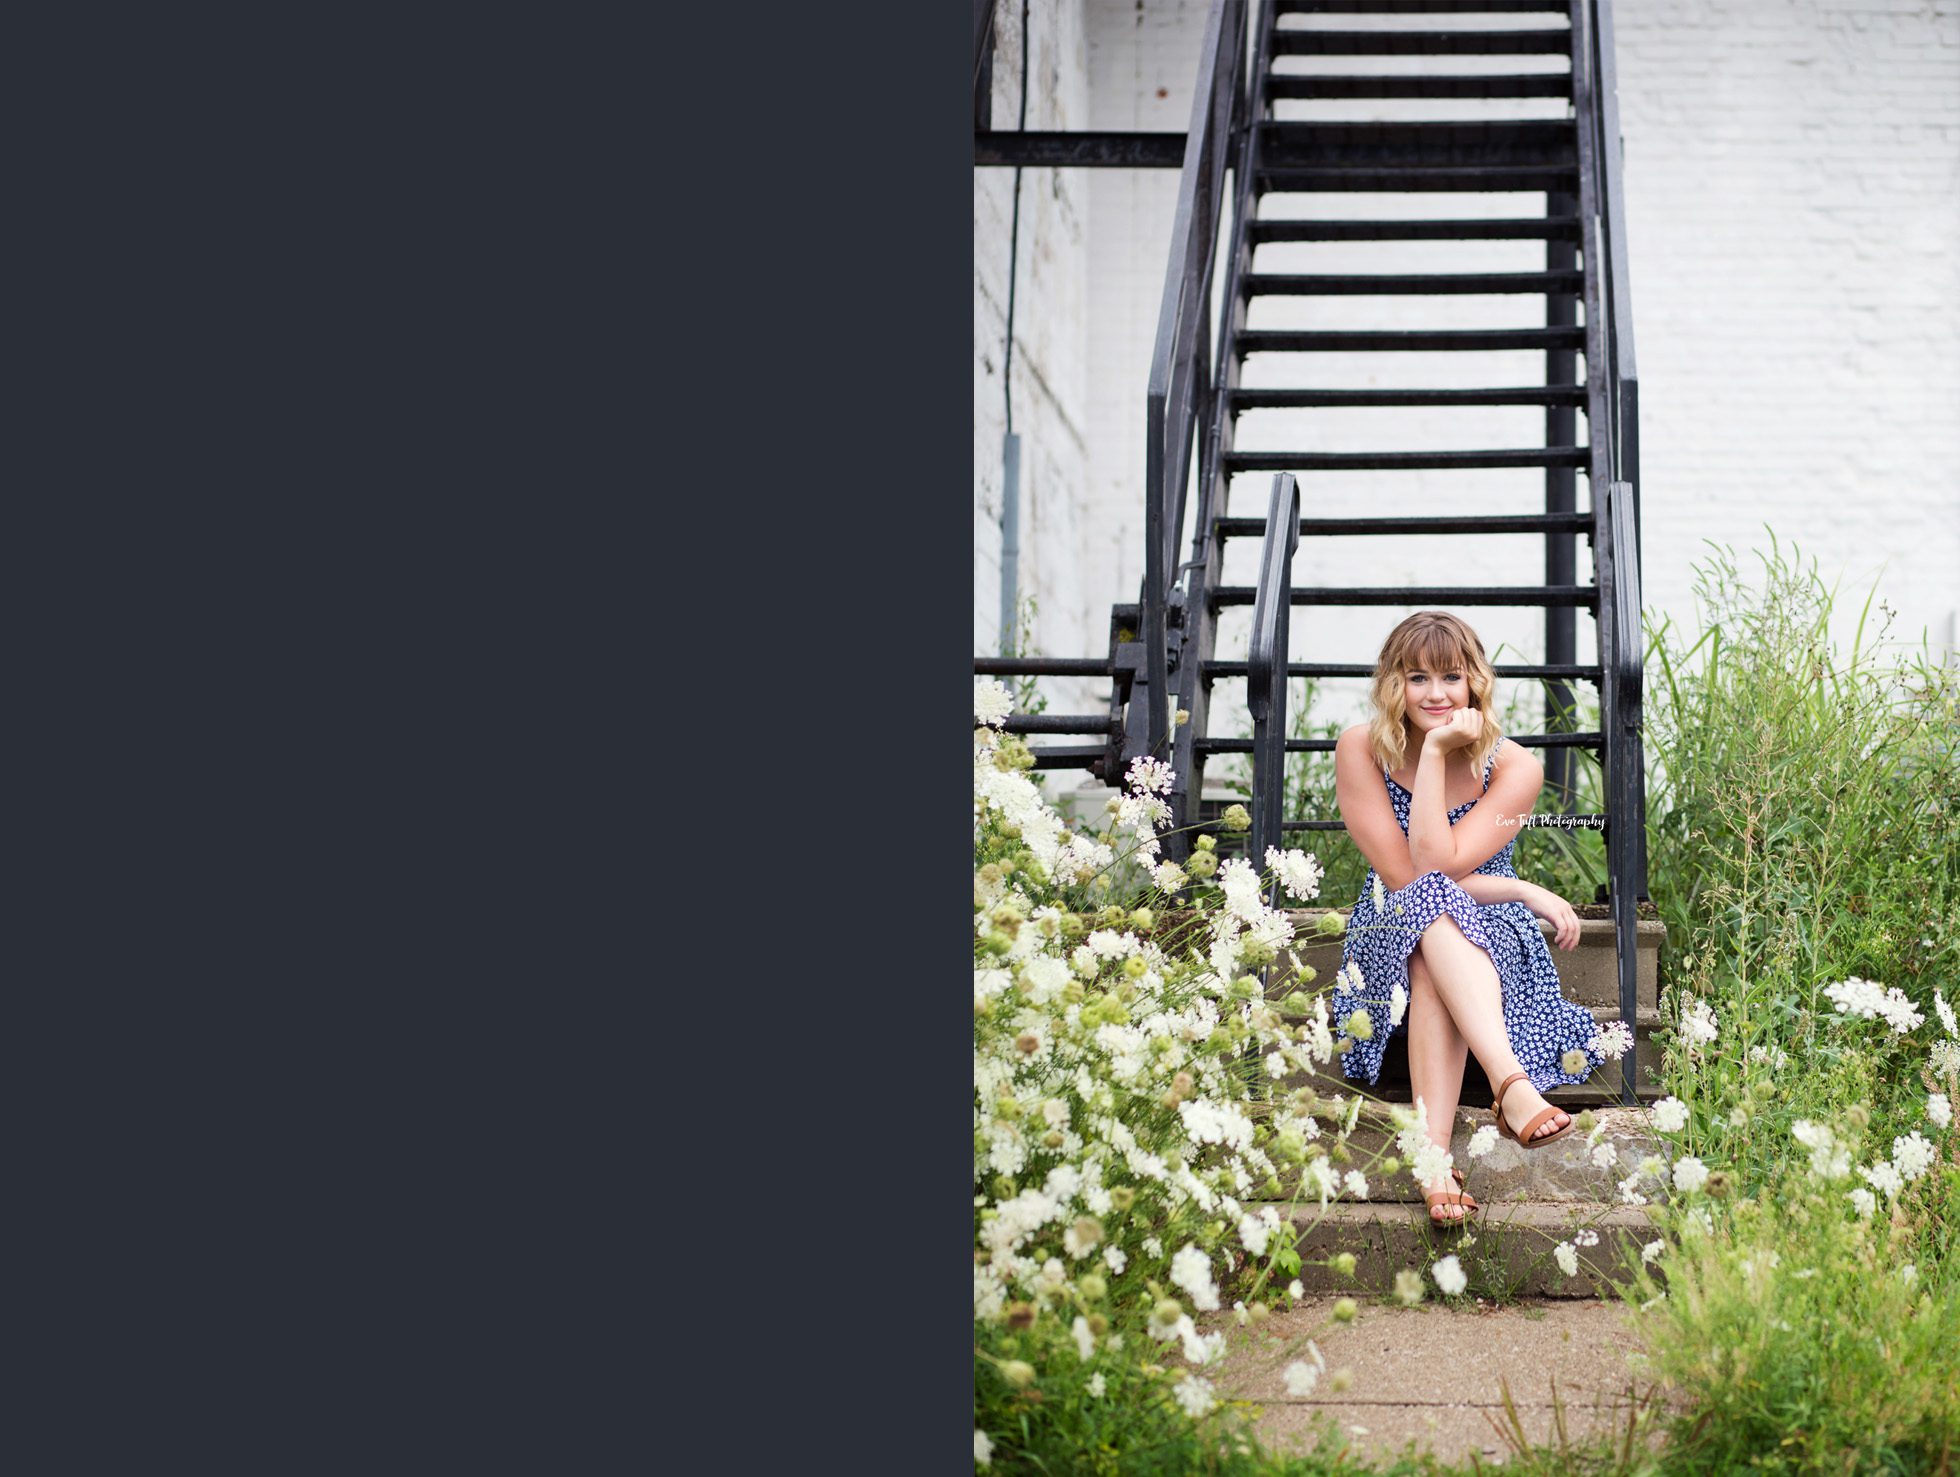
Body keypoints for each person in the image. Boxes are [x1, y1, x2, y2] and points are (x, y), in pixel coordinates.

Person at [1329, 611, 1603, 1227]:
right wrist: (1520, 884)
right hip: (1388, 922)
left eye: (1451, 676)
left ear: (1475, 683)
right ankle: (1510, 1084)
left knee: (1435, 940)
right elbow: (1413, 873)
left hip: (1489, 935)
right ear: (1391, 683)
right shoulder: (1360, 750)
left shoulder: (1514, 767)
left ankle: (1432, 1159)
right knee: (1426, 914)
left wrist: (1505, 895)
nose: (1435, 693)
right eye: (1416, 676)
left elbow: (1444, 866)